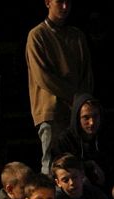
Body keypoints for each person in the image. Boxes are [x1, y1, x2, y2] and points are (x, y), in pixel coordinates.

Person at [26, 0, 93, 174]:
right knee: (52, 164)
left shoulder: (76, 35)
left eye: (68, 2)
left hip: (76, 111)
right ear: (48, 3)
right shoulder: (37, 35)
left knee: (76, 163)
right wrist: (75, 98)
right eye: (59, 2)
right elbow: (43, 76)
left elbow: (86, 73)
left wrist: (83, 102)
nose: (64, 7)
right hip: (51, 111)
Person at [51, 93, 114, 197]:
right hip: (77, 192)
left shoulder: (111, 135)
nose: (92, 122)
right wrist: (87, 167)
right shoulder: (65, 140)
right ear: (77, 118)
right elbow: (59, 169)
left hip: (110, 188)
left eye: (95, 116)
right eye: (86, 117)